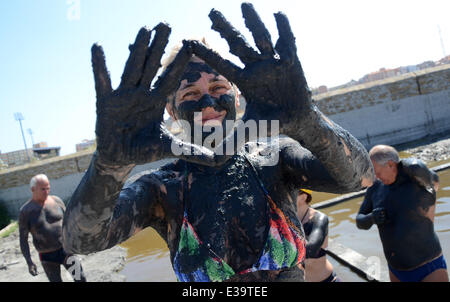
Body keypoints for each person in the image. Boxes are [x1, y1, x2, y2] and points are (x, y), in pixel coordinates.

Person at [62, 3, 374, 282]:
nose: (209, 102)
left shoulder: (275, 158)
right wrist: (109, 164)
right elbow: (81, 240)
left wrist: (309, 119)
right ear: (170, 110)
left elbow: (359, 178)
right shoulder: (161, 188)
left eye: (218, 86)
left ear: (237, 95)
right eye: (191, 95)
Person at [356, 145, 448, 282]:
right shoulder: (375, 188)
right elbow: (359, 220)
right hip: (396, 270)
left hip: (428, 266)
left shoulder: (415, 181)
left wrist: (412, 165)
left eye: (377, 172)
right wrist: (372, 218)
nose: (376, 176)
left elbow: (434, 181)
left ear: (391, 165)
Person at [19, 174, 86, 282]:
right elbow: (23, 239)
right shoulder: (26, 211)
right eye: (43, 189)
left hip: (66, 251)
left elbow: (69, 223)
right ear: (33, 189)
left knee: (80, 278)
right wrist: (29, 262)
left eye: (48, 188)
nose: (46, 191)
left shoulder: (56, 201)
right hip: (47, 256)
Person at [296, 189, 340, 282]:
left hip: (326, 280)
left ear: (303, 197)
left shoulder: (319, 218)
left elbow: (311, 249)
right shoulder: (285, 219)